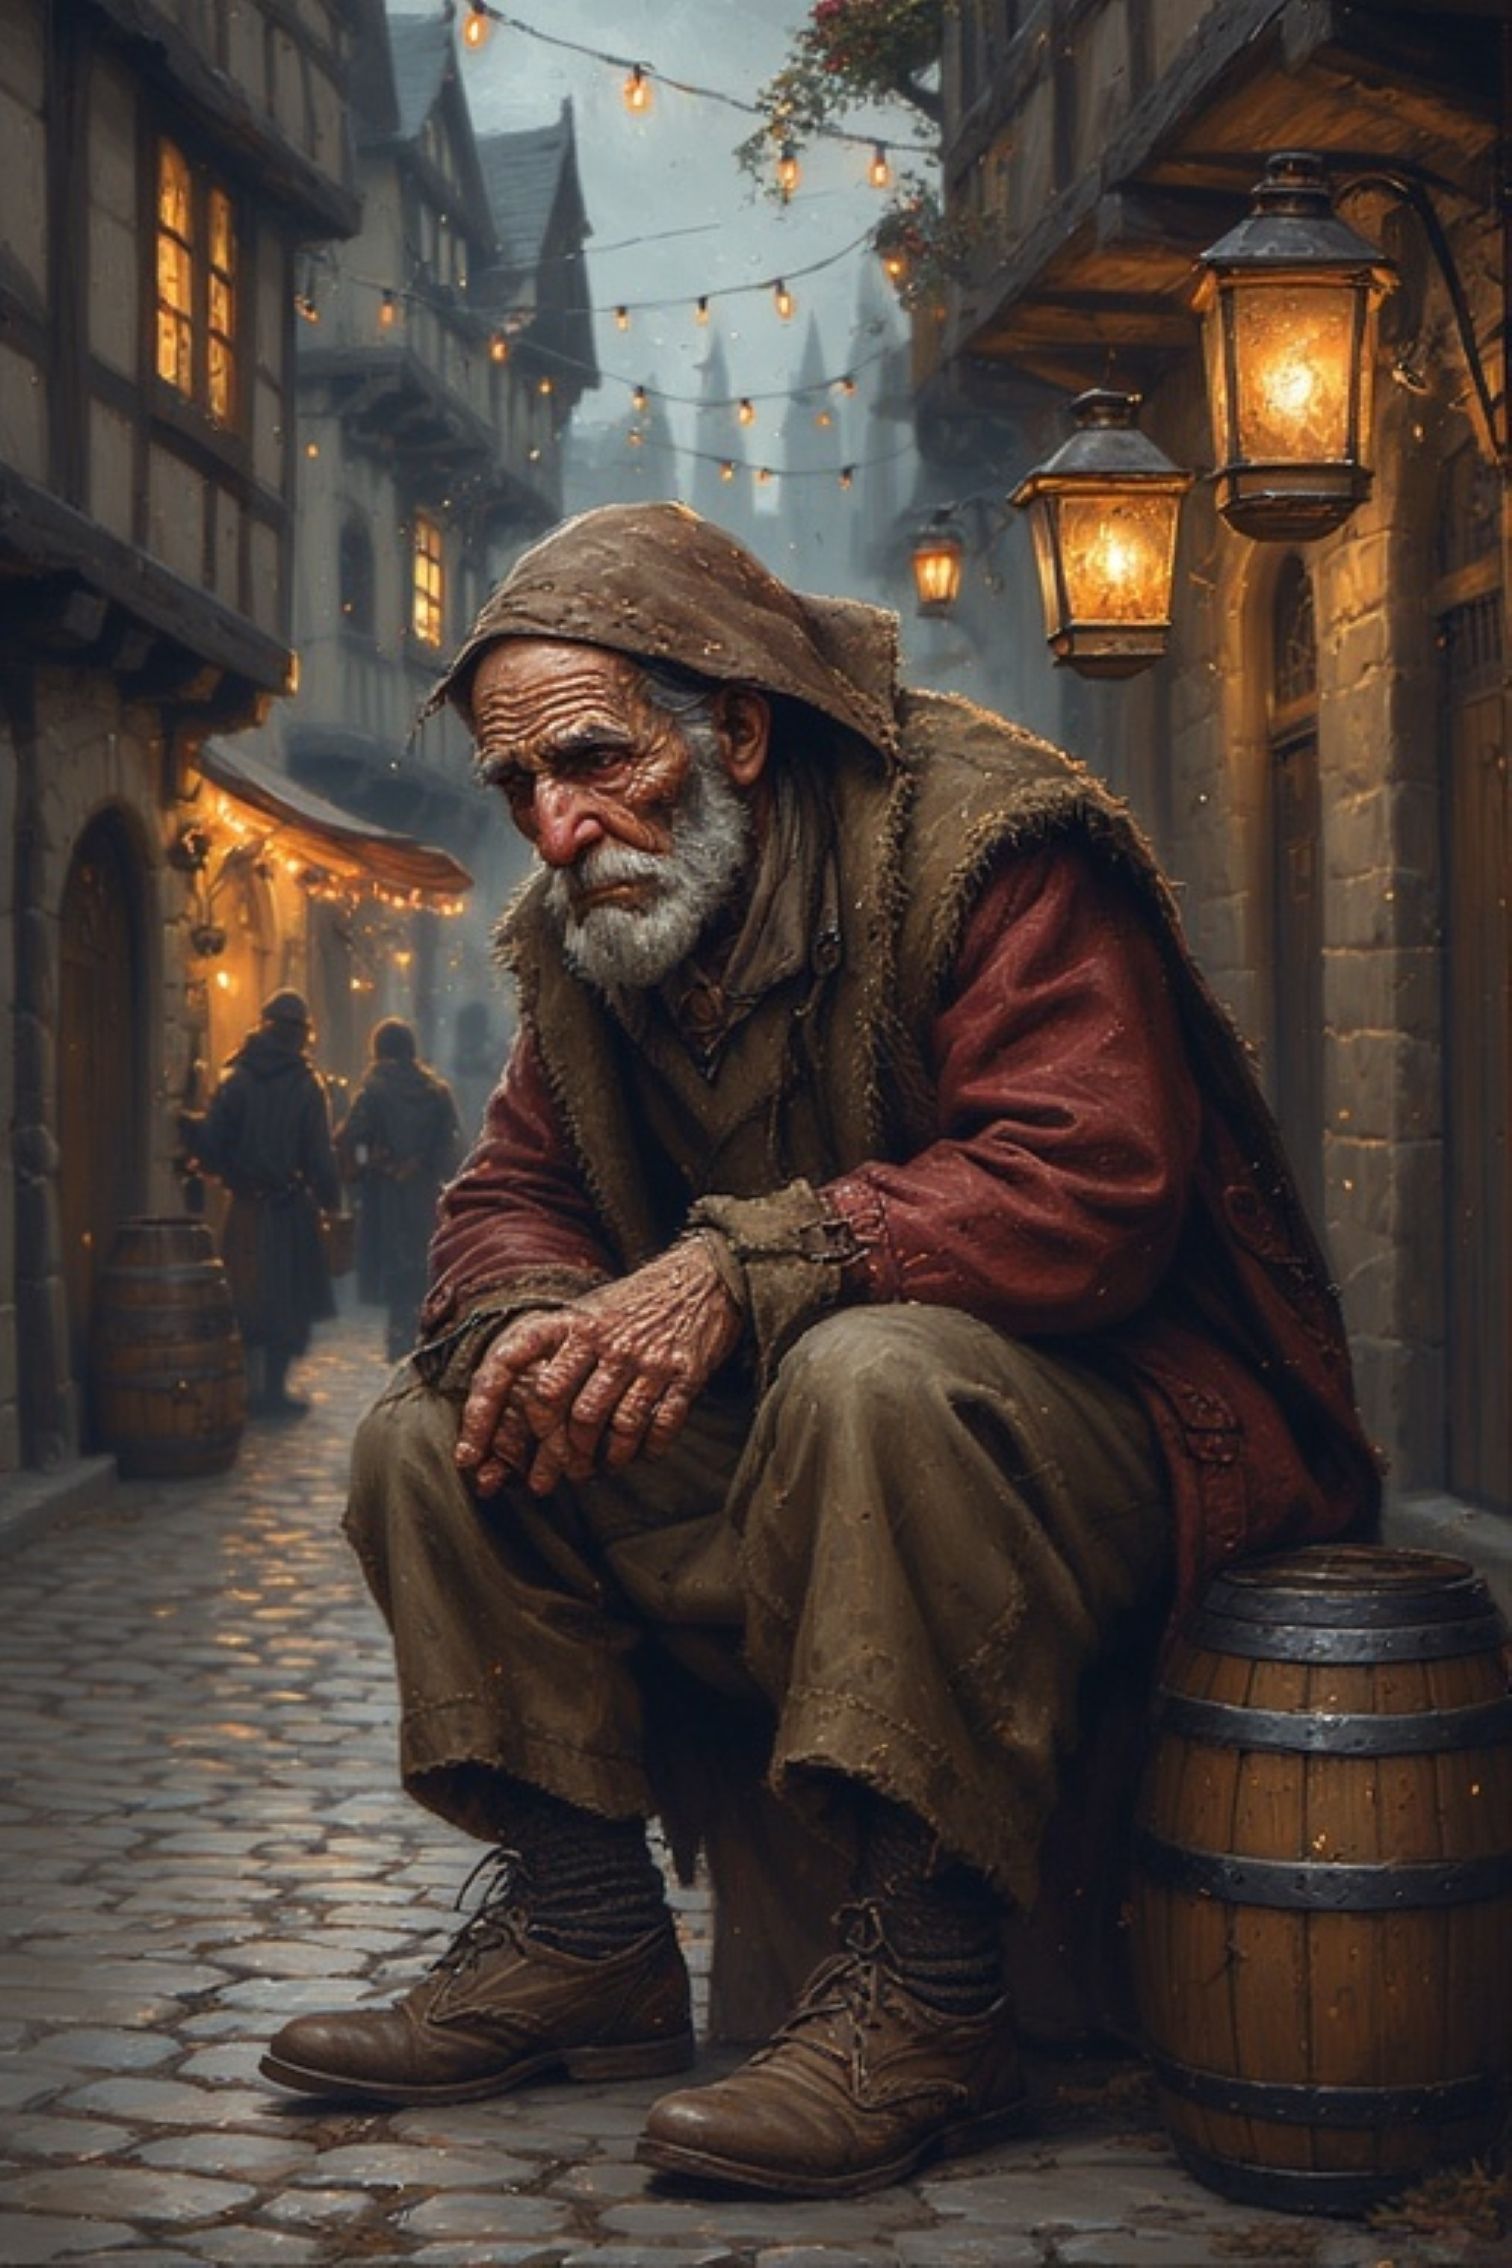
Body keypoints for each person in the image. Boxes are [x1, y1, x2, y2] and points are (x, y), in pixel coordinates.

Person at [259, 504, 1379, 2196]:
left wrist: (744, 1266)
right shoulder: (588, 938)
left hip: (1115, 1444)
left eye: (587, 761)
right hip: (811, 1443)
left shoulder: (989, 842)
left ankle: (933, 1992)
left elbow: (1089, 1178)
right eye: (521, 791)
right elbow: (508, 1195)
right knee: (437, 1428)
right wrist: (534, 1325)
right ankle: (584, 1933)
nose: (554, 828)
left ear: (737, 726)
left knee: (876, 1372)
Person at [182, 988, 340, 1419]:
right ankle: (269, 1390)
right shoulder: (307, 1087)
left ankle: (254, 1389)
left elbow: (212, 1144)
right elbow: (319, 1155)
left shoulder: (238, 1080)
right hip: (287, 1208)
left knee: (247, 1296)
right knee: (283, 1303)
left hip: (249, 1206)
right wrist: (330, 1199)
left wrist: (199, 1141)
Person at [336, 1019, 464, 1362]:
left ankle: (399, 1333)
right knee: (421, 1260)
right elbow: (450, 1146)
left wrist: (371, 1163)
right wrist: (423, 1166)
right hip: (423, 1191)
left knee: (393, 1262)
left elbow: (354, 1140)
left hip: (385, 1193)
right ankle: (418, 1328)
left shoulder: (371, 1091)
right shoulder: (436, 1092)